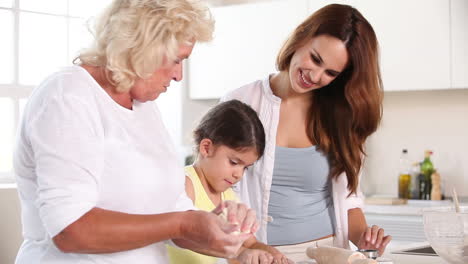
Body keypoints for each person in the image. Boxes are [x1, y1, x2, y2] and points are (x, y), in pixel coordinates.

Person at [13, 0, 258, 263]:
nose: (178, 76)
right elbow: (70, 230)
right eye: (177, 60)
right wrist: (184, 223)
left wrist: (222, 231)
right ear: (144, 48)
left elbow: (170, 211)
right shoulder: (67, 97)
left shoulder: (144, 108)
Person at [221, 4, 392, 262]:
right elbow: (216, 188)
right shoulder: (240, 102)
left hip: (328, 252)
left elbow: (349, 201)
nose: (315, 76)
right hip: (261, 255)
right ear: (302, 38)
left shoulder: (339, 115)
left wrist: (366, 242)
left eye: (331, 73)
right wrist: (246, 249)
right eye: (315, 59)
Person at [167, 100, 292, 264]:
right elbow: (184, 235)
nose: (238, 175)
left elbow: (250, 243)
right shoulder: (185, 184)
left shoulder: (228, 195)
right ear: (206, 148)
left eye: (246, 167)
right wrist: (241, 253)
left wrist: (272, 254)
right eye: (234, 162)